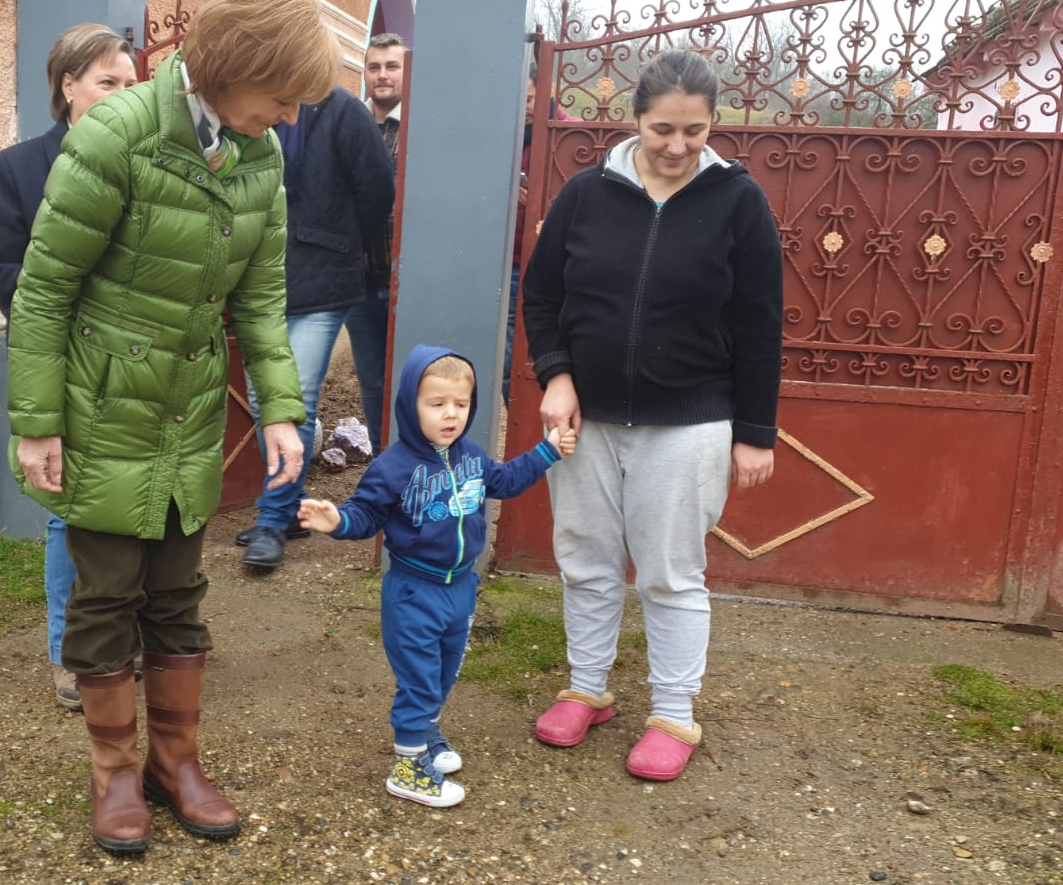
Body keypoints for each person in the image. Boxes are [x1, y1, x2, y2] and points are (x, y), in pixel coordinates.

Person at [7, 0, 338, 854]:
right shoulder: (116, 136)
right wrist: (38, 420)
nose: (290, 116)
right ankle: (113, 772)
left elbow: (260, 297)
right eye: (283, 95)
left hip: (188, 413)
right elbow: (44, 289)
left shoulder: (260, 153)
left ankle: (174, 762)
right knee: (107, 595)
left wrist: (282, 411)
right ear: (234, 67)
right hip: (103, 409)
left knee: (179, 596)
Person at [521, 49, 783, 782]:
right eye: (663, 129)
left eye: (694, 131)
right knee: (585, 558)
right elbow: (541, 296)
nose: (677, 145)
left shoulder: (739, 201)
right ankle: (587, 689)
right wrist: (557, 376)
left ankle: (673, 713)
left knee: (670, 573)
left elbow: (761, 323)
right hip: (586, 419)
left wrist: (755, 432)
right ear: (635, 119)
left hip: (691, 420)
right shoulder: (585, 193)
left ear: (713, 124)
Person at [298, 345, 575, 807]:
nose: (451, 414)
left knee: (444, 673)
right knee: (420, 680)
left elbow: (505, 482)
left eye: (461, 404)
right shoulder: (392, 467)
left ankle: (425, 734)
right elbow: (365, 515)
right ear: (412, 405)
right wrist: (338, 521)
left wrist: (547, 450)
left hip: (460, 587)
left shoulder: (471, 456)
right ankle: (408, 770)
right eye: (437, 403)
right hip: (414, 591)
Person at [0, 23, 137, 714]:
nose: (122, 95)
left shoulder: (149, 166)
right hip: (65, 364)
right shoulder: (18, 168)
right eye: (107, 82)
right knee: (68, 513)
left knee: (132, 507)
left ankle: (122, 640)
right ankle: (69, 655)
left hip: (134, 368)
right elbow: (6, 271)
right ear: (68, 86)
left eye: (131, 84)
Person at [237, 82, 395, 569]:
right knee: (264, 399)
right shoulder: (251, 102)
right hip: (259, 277)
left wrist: (339, 239)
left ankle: (273, 517)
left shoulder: (343, 110)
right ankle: (289, 508)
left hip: (324, 274)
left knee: (295, 400)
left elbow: (377, 192)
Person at [345, 32, 408, 454]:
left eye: (392, 66)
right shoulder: (351, 122)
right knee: (371, 381)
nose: (382, 75)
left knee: (412, 379)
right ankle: (384, 465)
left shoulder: (422, 124)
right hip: (358, 279)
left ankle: (412, 465)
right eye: (374, 67)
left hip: (406, 279)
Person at [507, 62, 580, 404]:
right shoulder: (504, 136)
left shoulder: (571, 136)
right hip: (511, 262)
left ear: (547, 91)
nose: (521, 108)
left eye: (528, 99)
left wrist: (544, 197)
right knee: (510, 360)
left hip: (558, 267)